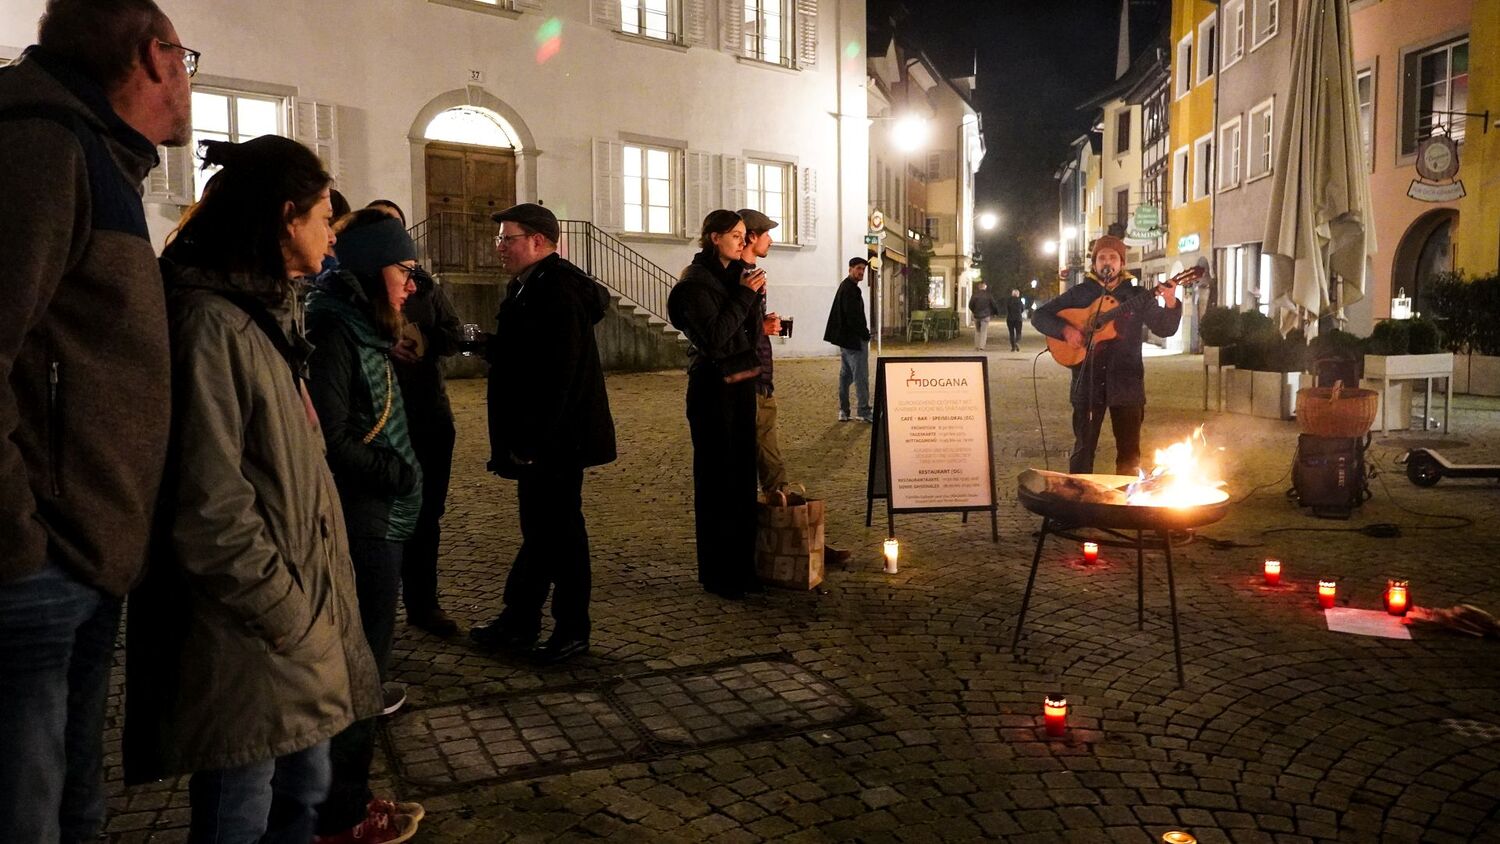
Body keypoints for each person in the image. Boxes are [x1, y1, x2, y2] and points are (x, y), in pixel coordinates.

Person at [124, 136, 387, 844]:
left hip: (291, 632)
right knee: (243, 809)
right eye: (323, 217)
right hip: (251, 636)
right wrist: (288, 615)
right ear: (283, 218)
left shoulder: (269, 313)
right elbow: (209, 506)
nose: (331, 234)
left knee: (298, 799)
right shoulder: (212, 324)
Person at [0, 2, 189, 840]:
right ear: (154, 57)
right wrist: (18, 545)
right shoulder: (43, 145)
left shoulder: (96, 155)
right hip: (38, 568)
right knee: (30, 812)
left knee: (74, 798)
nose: (189, 78)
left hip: (82, 555)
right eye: (185, 58)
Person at [305, 210, 427, 842]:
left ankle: (342, 801)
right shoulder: (336, 331)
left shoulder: (360, 326)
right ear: (373, 270)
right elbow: (329, 436)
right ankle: (341, 816)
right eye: (403, 270)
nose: (411, 282)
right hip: (366, 520)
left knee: (367, 669)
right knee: (361, 674)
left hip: (382, 516)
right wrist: (397, 473)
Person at [469, 203, 617, 665]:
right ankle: (520, 619)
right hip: (545, 438)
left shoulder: (556, 290)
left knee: (561, 534)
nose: (499, 249)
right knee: (541, 531)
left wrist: (534, 442)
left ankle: (572, 629)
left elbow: (559, 375)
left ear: (537, 240)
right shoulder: (533, 285)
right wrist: (478, 342)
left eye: (506, 239)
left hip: (555, 441)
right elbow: (524, 356)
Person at [368, 199, 463, 637]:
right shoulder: (353, 287)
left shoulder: (424, 286)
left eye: (396, 226)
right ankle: (375, 612)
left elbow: (452, 332)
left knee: (427, 515)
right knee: (379, 517)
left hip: (427, 413)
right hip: (379, 420)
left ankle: (424, 604)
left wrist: (425, 337)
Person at [667, 210, 764, 599]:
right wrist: (745, 295)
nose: (744, 241)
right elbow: (715, 339)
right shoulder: (695, 284)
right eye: (736, 235)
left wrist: (755, 301)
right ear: (713, 237)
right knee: (716, 481)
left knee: (741, 478)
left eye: (745, 235)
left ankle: (743, 568)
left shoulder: (731, 276)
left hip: (740, 384)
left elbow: (747, 334)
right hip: (711, 390)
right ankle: (719, 573)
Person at [1031, 234, 1181, 475]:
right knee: (1083, 450)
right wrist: (1065, 330)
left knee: (1129, 454)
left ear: (1122, 263)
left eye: (1113, 257)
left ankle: (1126, 504)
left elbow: (1165, 328)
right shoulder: (1080, 293)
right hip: (1088, 383)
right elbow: (1040, 316)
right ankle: (1079, 505)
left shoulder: (1137, 295)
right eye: (1102, 257)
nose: (1107, 261)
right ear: (1094, 263)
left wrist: (1171, 302)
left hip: (1127, 383)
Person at [734, 208, 788, 495]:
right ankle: (778, 509)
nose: (771, 239)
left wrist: (764, 325)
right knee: (765, 448)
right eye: (766, 233)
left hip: (760, 374)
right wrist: (761, 327)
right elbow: (732, 329)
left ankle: (776, 501)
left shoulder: (753, 276)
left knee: (766, 444)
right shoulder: (739, 278)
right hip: (752, 376)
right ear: (751, 237)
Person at [823, 257, 872, 423]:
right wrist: (865, 334)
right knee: (861, 376)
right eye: (858, 268)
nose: (861, 272)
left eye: (863, 269)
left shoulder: (846, 286)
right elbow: (853, 317)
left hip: (846, 340)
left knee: (845, 376)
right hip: (854, 340)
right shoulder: (851, 289)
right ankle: (864, 411)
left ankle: (844, 410)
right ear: (850, 269)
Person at [968, 280, 997, 350]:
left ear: (979, 287)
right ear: (985, 287)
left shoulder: (975, 295)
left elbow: (970, 305)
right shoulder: (988, 295)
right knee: (984, 331)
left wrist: (974, 311)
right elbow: (993, 304)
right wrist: (994, 312)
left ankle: (977, 346)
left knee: (977, 331)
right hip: (986, 315)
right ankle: (981, 346)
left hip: (976, 315)